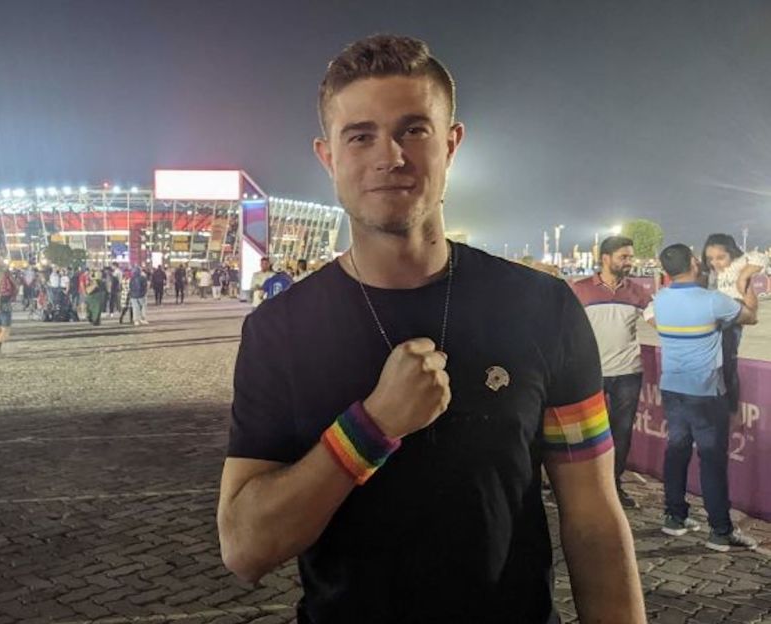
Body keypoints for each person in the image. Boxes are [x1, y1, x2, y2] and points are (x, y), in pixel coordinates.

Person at [217, 35, 643, 622]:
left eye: (413, 129)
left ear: (451, 142)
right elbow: (245, 547)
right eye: (360, 135)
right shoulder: (278, 331)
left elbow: (594, 520)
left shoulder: (543, 308)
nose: (389, 155)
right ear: (328, 156)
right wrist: (372, 427)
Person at [648, 243, 759, 552]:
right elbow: (750, 316)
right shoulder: (712, 301)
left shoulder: (661, 300)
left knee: (677, 451)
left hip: (673, 388)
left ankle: (674, 517)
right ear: (694, 263)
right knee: (711, 461)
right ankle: (720, 532)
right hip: (706, 393)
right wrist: (746, 281)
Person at [570, 236, 652, 509]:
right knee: (586, 433)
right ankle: (581, 487)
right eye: (623, 257)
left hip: (628, 373)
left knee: (621, 433)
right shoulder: (579, 290)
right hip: (589, 373)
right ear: (605, 258)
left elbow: (661, 323)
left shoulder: (639, 292)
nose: (629, 262)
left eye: (630, 257)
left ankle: (614, 486)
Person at [701, 233, 767, 415]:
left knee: (727, 364)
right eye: (710, 259)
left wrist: (743, 277)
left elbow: (760, 257)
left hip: (731, 320)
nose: (715, 263)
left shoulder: (738, 267)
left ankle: (730, 409)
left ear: (732, 254)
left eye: (721, 257)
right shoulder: (709, 274)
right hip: (713, 322)